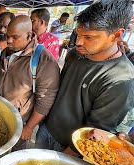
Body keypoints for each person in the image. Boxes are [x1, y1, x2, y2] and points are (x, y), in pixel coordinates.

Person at [36, 0, 134, 156]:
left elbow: (95, 131)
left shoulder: (121, 79)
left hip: (70, 148)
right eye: (78, 34)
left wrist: (65, 157)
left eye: (89, 37)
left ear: (116, 35)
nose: (79, 42)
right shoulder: (75, 54)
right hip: (47, 129)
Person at [0, 15, 60, 150]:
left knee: (16, 153)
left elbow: (45, 100)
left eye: (15, 37)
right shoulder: (7, 51)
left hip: (20, 120)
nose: (9, 41)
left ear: (29, 35)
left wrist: (29, 127)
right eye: (8, 36)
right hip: (0, 114)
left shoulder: (44, 60)